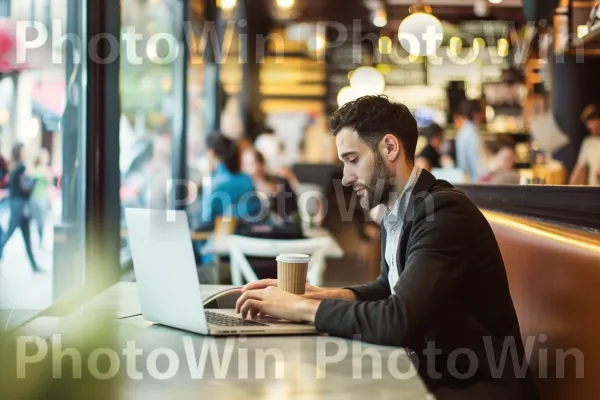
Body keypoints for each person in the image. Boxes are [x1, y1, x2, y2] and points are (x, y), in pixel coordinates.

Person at [235, 96, 539, 400]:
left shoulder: (444, 212)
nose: (346, 177)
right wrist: (319, 294)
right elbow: (389, 286)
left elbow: (398, 320)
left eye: (353, 160)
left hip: (476, 388)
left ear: (390, 148)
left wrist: (299, 308)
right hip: (429, 377)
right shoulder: (399, 210)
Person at [195, 131, 263, 231]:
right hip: (250, 237)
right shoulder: (246, 179)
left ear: (210, 153)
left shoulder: (214, 184)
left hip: (224, 239)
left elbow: (207, 222)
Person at [0, 143, 41, 273]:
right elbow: (25, 188)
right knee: (10, 233)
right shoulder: (21, 167)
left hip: (19, 204)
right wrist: (34, 181)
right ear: (20, 152)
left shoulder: (15, 166)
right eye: (24, 150)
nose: (26, 152)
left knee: (26, 236)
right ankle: (34, 266)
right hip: (19, 205)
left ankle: (34, 266)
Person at [241, 148, 299, 223]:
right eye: (247, 164)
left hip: (279, 228)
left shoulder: (280, 183)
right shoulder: (244, 188)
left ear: (262, 164)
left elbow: (292, 212)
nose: (255, 168)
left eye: (258, 162)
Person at [454, 100, 487, 182]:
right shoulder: (473, 134)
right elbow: (479, 165)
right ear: (476, 114)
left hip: (468, 181)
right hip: (476, 182)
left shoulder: (462, 132)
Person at [569, 104, 600, 186]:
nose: (594, 131)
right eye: (591, 129)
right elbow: (578, 169)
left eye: (597, 128)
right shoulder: (588, 142)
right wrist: (569, 188)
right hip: (593, 192)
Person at [30, 149, 54, 246]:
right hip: (38, 198)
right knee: (39, 221)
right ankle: (40, 240)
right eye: (45, 156)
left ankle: (41, 240)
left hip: (43, 197)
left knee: (42, 221)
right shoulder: (39, 170)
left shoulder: (42, 169)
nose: (47, 158)